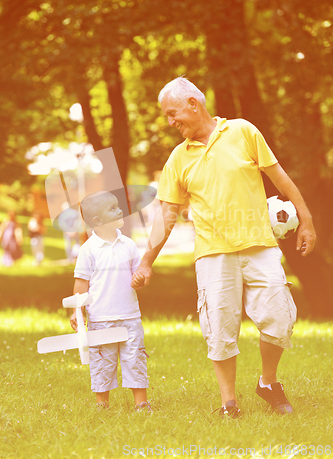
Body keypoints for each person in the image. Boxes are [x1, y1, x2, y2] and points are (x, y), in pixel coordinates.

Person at [131, 77, 316, 418]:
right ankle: (228, 403)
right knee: (219, 329)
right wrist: (146, 261)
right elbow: (166, 215)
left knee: (279, 318)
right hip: (213, 255)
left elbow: (281, 178)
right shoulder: (177, 159)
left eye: (173, 113)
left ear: (193, 104)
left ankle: (268, 382)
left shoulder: (243, 131)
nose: (171, 122)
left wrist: (305, 219)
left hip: (260, 245)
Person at [70, 191, 150, 411]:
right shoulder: (88, 250)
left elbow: (138, 277)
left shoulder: (129, 244)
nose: (120, 210)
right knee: (102, 361)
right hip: (101, 317)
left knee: (135, 358)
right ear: (98, 221)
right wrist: (78, 311)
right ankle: (102, 403)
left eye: (118, 206)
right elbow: (81, 283)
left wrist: (139, 280)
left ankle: (141, 403)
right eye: (113, 208)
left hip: (129, 315)